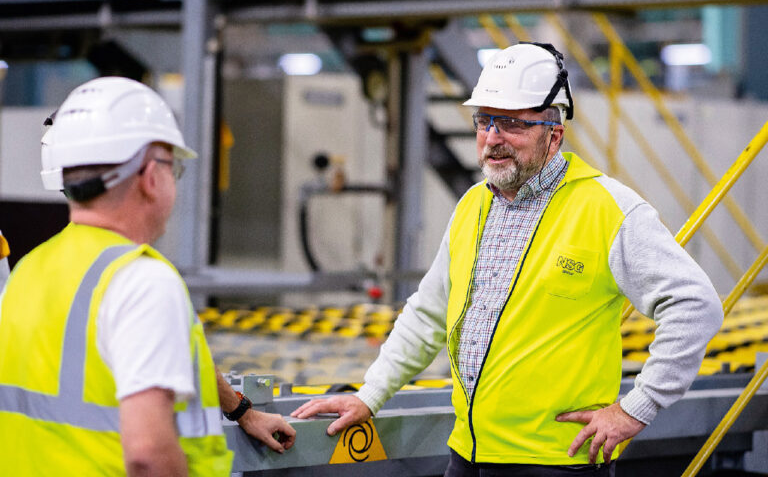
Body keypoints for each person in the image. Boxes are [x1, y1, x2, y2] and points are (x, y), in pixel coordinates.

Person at [292, 42, 723, 475]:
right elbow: (429, 313)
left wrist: (635, 408)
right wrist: (370, 395)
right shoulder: (473, 206)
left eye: (513, 123)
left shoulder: (607, 208)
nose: (493, 138)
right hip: (470, 452)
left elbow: (695, 305)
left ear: (554, 133)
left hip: (556, 461)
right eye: (484, 121)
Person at [0, 77, 295, 475]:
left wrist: (242, 411)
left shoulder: (26, 271)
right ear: (150, 176)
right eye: (173, 166)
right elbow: (148, 455)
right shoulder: (142, 281)